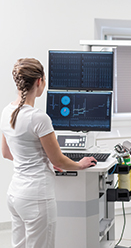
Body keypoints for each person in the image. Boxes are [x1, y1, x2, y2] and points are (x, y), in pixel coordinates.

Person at [1, 58, 97, 248]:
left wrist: (37, 160)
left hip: (15, 195)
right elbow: (59, 160)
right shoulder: (38, 118)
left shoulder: (6, 111)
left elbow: (6, 153)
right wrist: (80, 164)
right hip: (37, 197)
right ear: (39, 81)